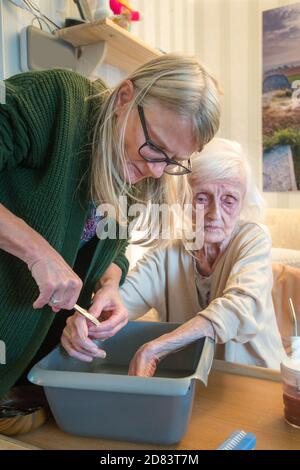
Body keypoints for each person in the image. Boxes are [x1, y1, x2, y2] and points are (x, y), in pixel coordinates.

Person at [0, 54, 220, 398]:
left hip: (31, 375)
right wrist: (38, 252)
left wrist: (109, 285)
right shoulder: (55, 100)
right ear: (124, 98)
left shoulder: (134, 168)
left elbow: (114, 246)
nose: (157, 171)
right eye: (156, 147)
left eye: (173, 161)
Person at [63, 138, 285, 373]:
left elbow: (240, 306)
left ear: (242, 204)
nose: (214, 214)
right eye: (201, 198)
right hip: (191, 384)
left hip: (257, 381)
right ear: (183, 200)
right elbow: (118, 305)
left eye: (229, 200)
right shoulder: (168, 252)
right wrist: (86, 321)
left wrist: (159, 347)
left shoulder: (253, 238)